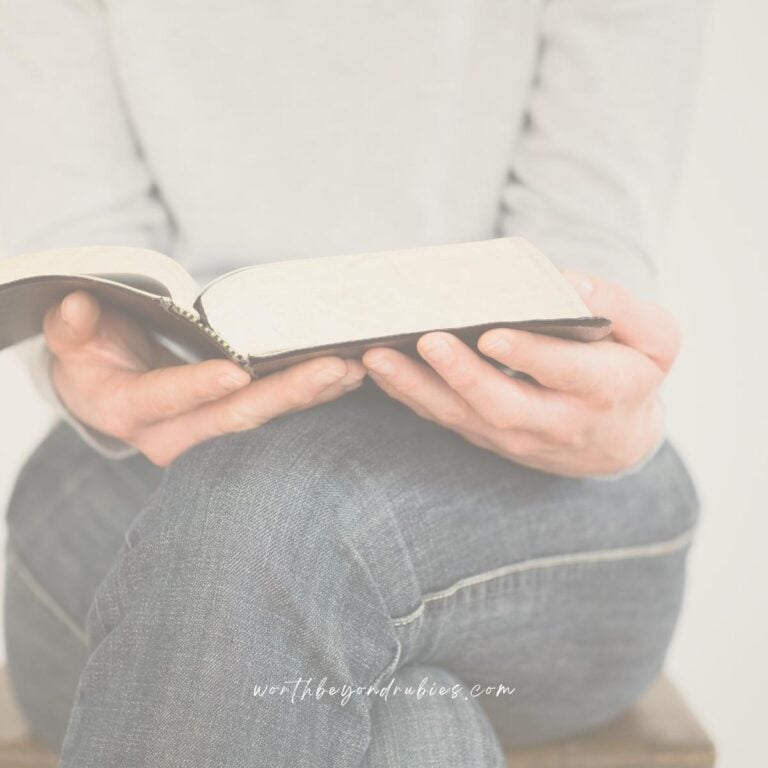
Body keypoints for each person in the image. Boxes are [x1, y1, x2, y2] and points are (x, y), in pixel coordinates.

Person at [0, 2, 703, 766]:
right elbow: (78, 243)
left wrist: (591, 376)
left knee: (267, 524)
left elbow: (585, 241)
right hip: (149, 458)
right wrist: (94, 360)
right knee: (401, 729)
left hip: (524, 473)